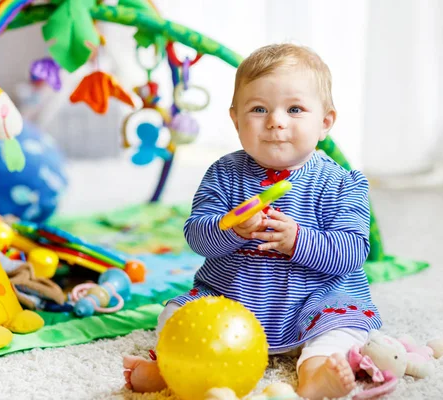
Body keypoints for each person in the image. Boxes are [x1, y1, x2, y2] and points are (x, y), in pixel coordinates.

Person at [123, 43, 382, 400]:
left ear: (325, 122)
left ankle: (315, 373)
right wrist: (229, 227)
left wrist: (297, 240)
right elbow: (196, 236)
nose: (276, 120)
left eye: (295, 109)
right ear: (236, 120)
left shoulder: (341, 183)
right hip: (231, 299)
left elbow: (352, 252)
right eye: (258, 109)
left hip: (316, 301)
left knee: (343, 328)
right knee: (175, 314)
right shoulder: (224, 173)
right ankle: (175, 371)